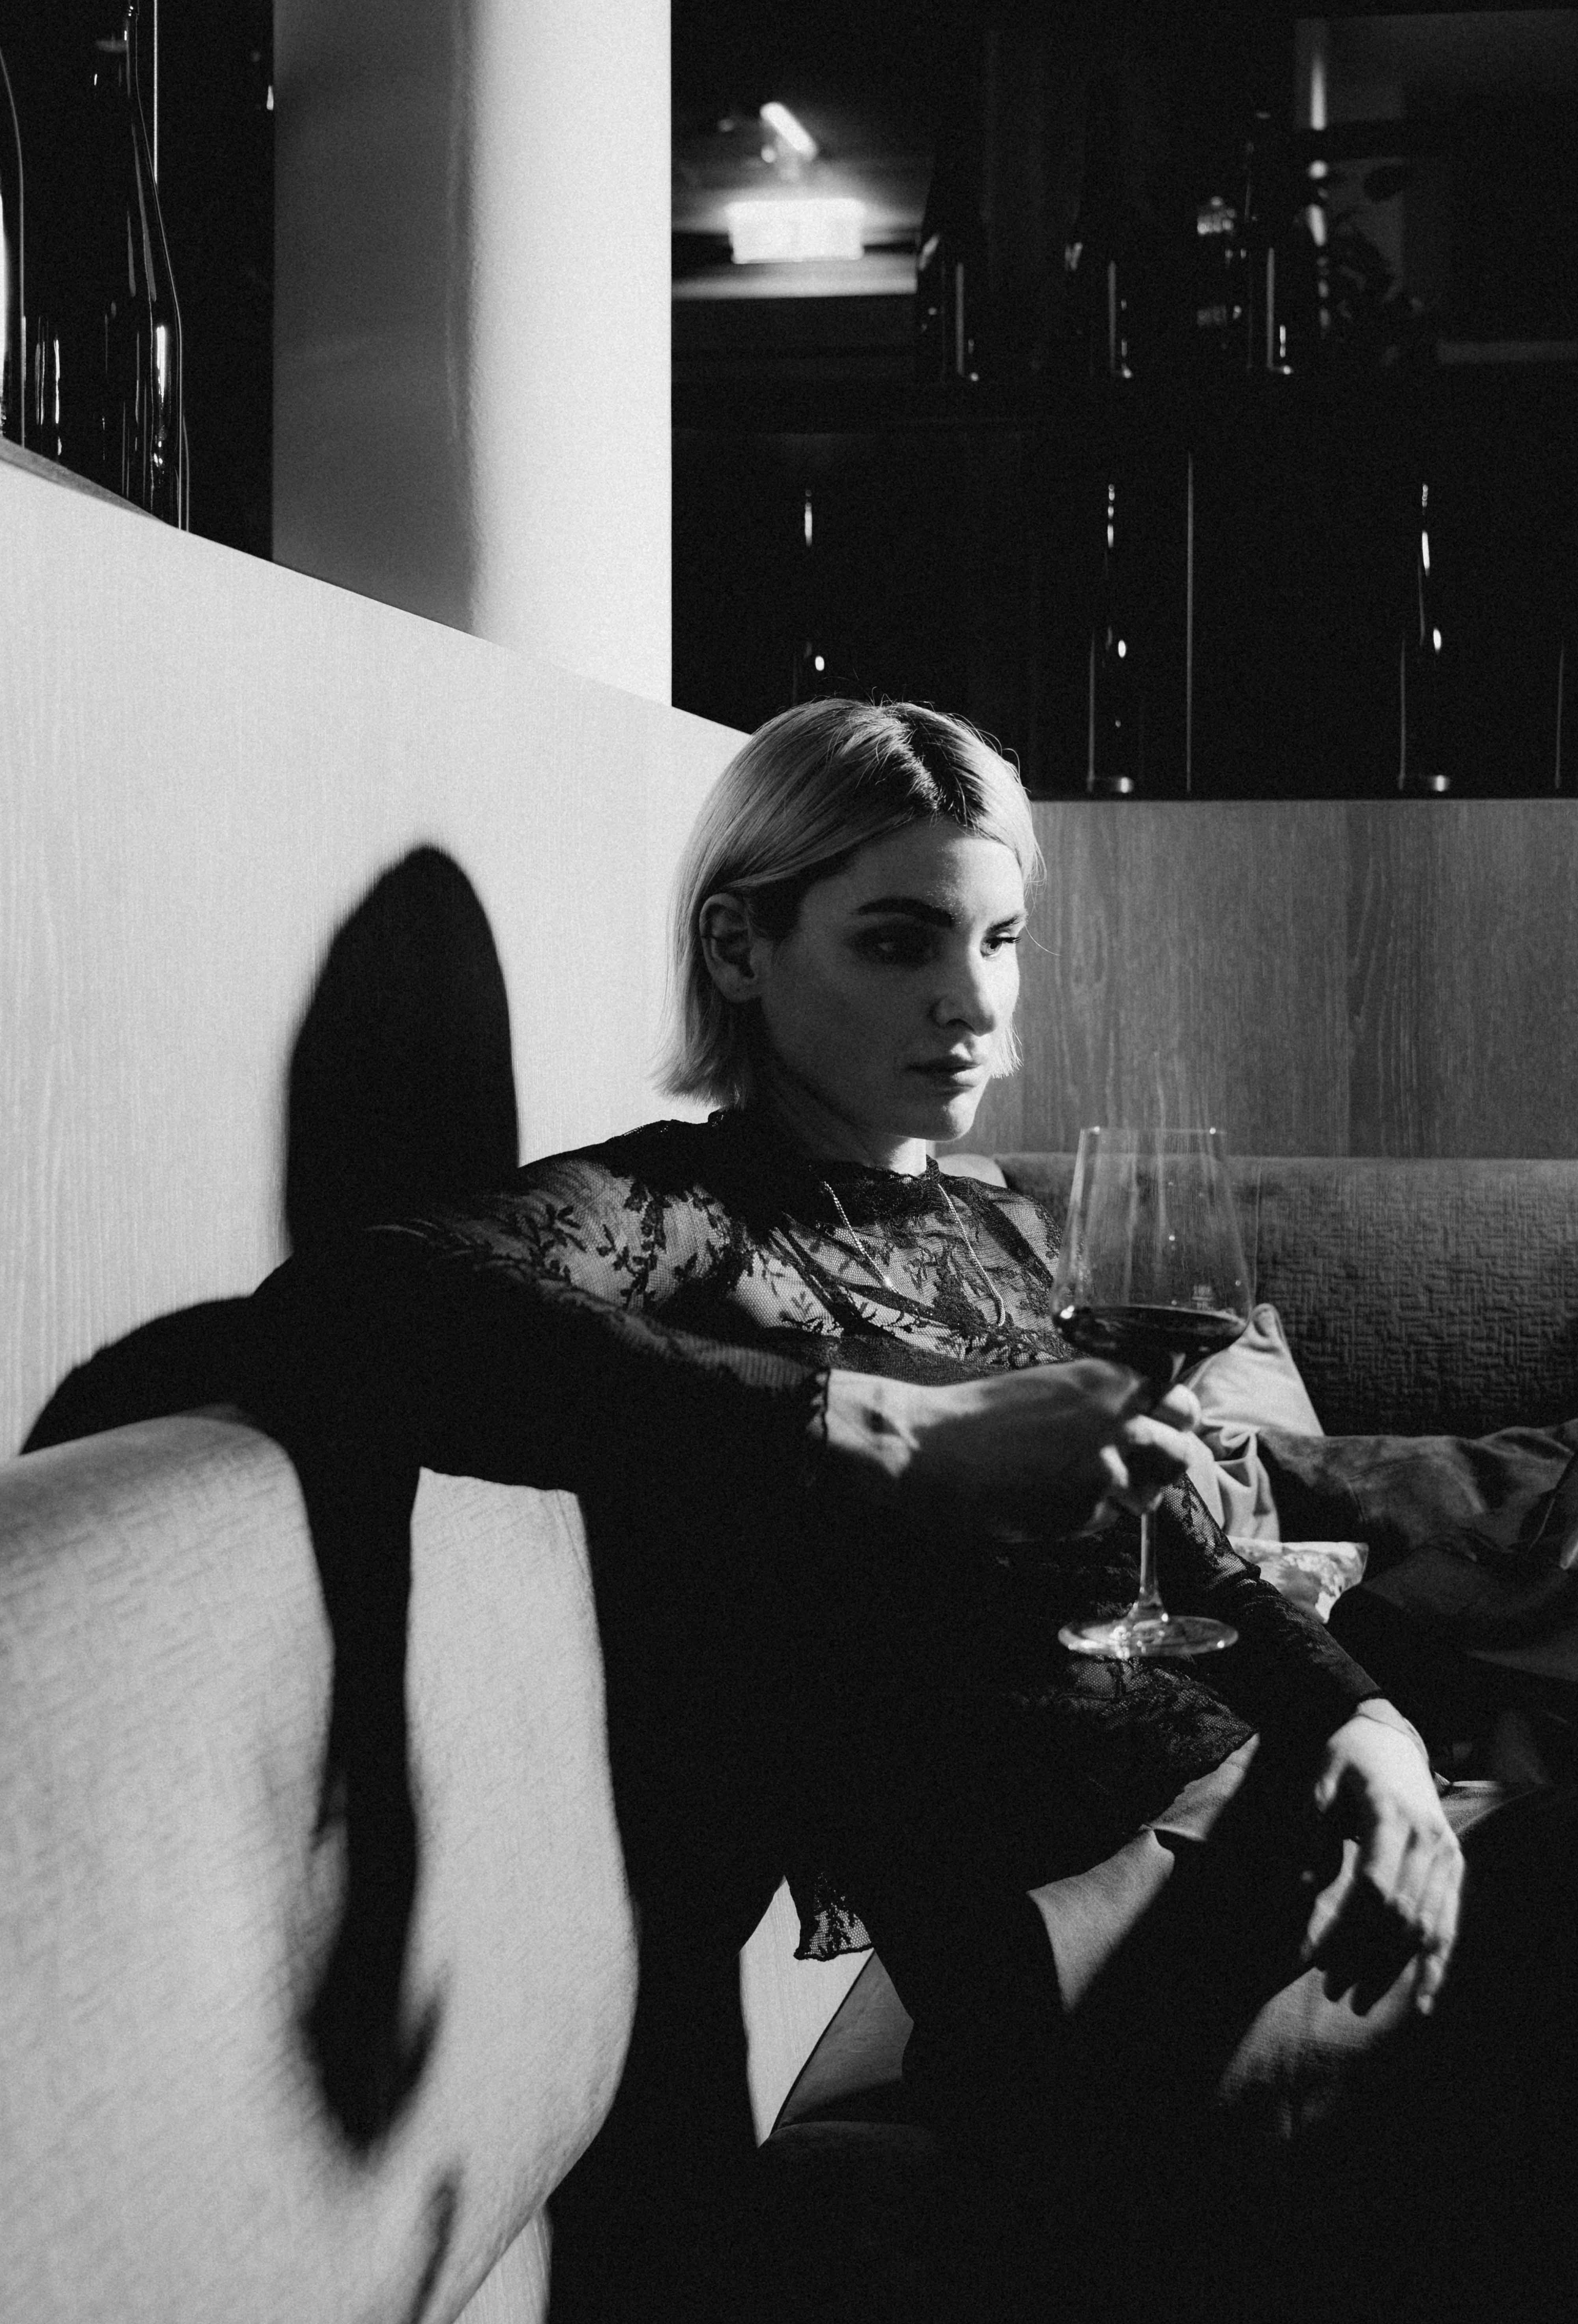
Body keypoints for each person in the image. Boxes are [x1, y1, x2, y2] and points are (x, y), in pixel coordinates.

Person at [249, 700, 1575, 2322]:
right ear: (740, 949)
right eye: (898, 943)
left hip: (1259, 1817)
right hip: (1068, 1930)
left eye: (998, 939)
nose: (971, 1006)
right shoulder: (684, 1216)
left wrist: (1359, 1723)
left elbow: (1160, 1556)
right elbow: (358, 1301)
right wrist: (875, 1422)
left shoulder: (994, 1231)